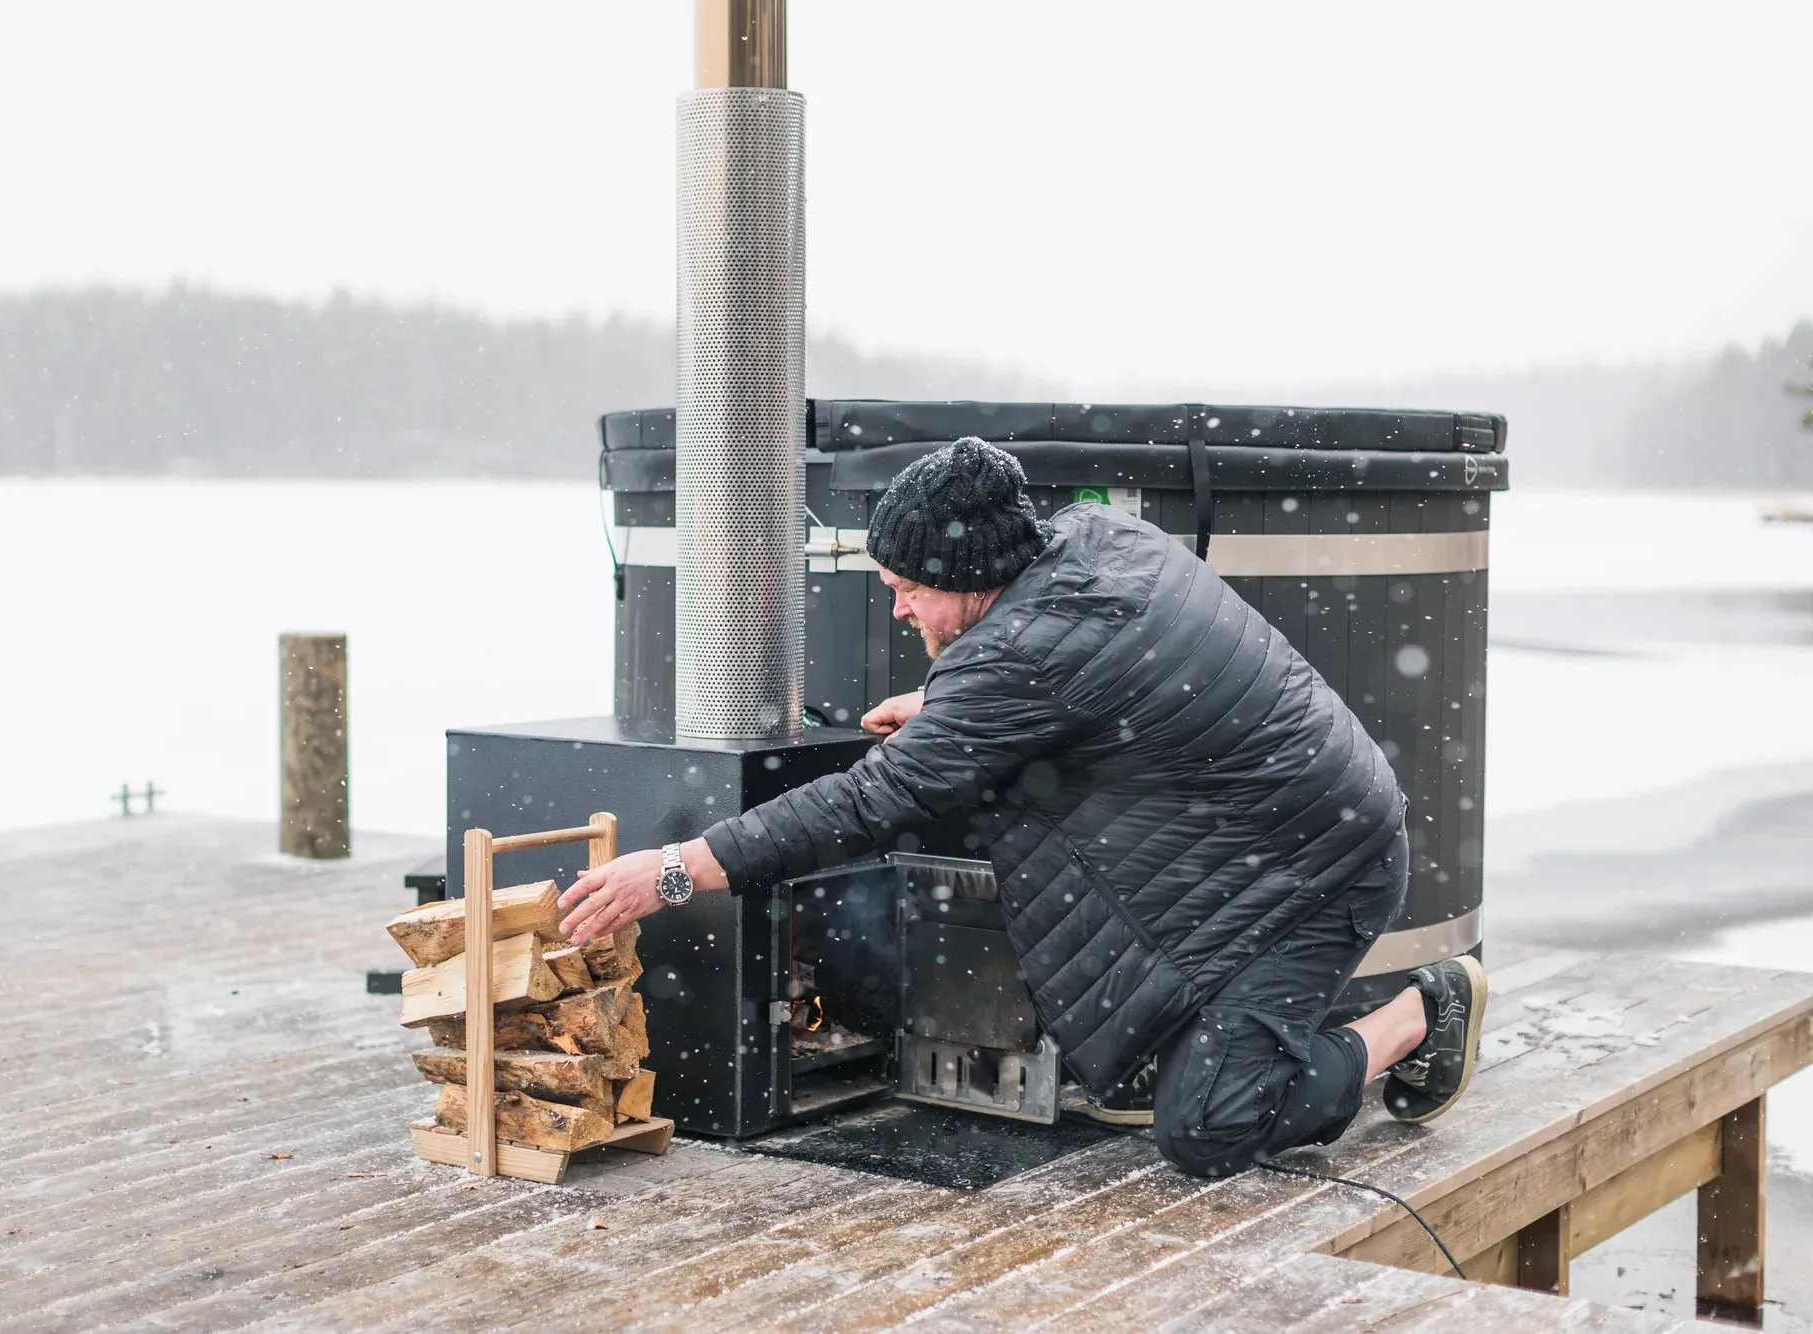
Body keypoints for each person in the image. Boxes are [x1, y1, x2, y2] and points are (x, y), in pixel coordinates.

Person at [560, 436, 1485, 1177]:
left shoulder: (1027, 659)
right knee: (1130, 1061)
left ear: (968, 579)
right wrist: (951, 709)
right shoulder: (1095, 542)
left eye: (907, 589)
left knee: (1208, 1126)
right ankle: (1227, 1039)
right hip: (1268, 840)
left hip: (1325, 872)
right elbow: (1111, 680)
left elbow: (874, 800)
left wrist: (674, 869)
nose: (898, 612)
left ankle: (1418, 1014)